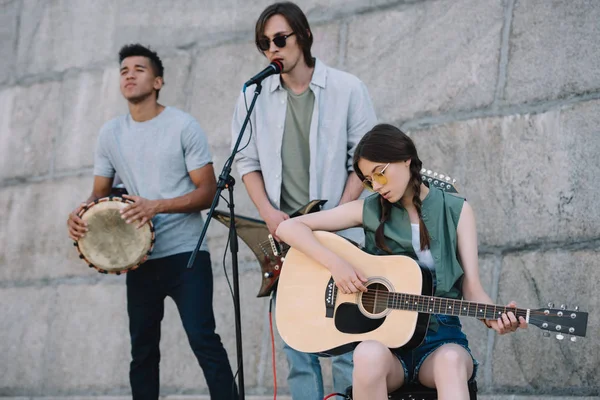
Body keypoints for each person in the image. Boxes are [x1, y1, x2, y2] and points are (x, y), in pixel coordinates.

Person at [276, 124, 528, 400]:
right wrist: (337, 265)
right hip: (386, 344)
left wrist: (497, 318)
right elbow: (288, 229)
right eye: (369, 180)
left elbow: (472, 290)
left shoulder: (457, 211)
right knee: (367, 354)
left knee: (451, 362)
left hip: (441, 340)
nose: (377, 186)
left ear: (406, 158)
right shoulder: (368, 209)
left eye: (381, 173)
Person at [66, 43, 237, 400]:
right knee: (142, 350)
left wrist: (156, 206)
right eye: (124, 70)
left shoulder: (182, 126)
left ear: (158, 81)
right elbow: (97, 195)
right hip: (140, 260)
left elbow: (207, 193)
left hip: (186, 254)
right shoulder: (110, 134)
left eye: (139, 69)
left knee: (203, 338)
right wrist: (80, 215)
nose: (129, 74)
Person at [231, 2, 377, 398]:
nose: (273, 50)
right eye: (264, 44)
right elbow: (245, 160)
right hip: (287, 238)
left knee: (350, 339)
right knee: (297, 346)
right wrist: (268, 214)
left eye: (281, 39)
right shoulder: (252, 97)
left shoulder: (348, 88)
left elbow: (364, 160)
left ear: (305, 35)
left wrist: (338, 215)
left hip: (341, 232)